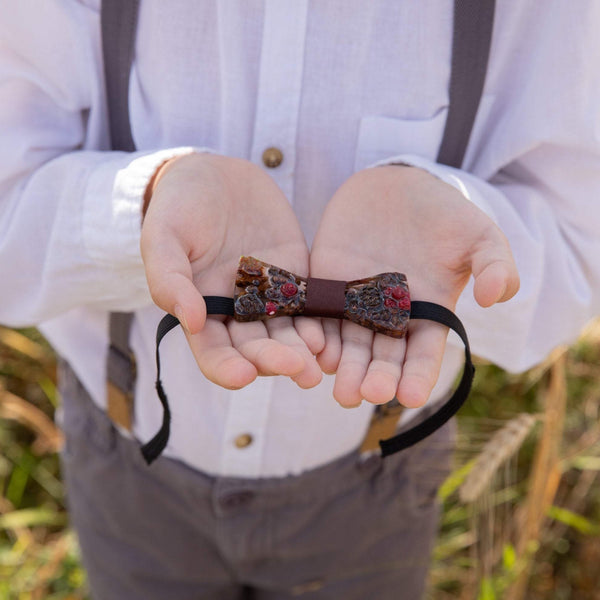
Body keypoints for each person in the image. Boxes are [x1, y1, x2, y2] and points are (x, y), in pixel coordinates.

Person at [1, 1, 599, 598]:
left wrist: (465, 222)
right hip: (125, 467)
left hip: (376, 491)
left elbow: (577, 250)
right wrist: (148, 203)